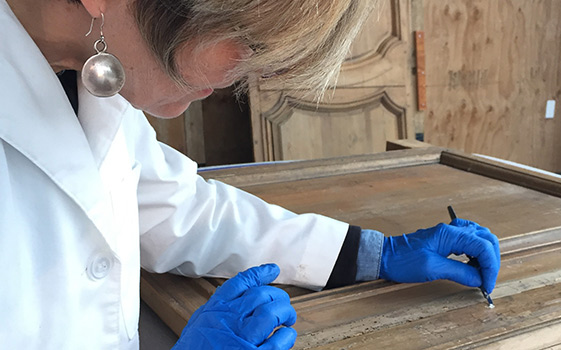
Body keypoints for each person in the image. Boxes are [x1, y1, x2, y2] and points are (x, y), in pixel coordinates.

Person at [0, 0, 501, 349]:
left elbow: (179, 211)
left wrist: (374, 254)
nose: (246, 77)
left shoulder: (91, 81)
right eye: (244, 37)